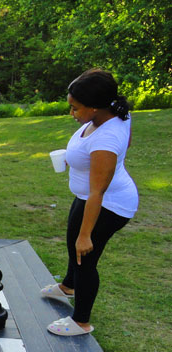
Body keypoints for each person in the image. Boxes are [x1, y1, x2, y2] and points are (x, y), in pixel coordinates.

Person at [43, 68, 137, 336]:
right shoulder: (116, 114)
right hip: (89, 197)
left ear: (95, 107)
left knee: (85, 256)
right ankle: (67, 287)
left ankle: (81, 321)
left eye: (75, 108)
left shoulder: (107, 140)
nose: (71, 113)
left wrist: (86, 235)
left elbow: (98, 192)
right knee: (73, 246)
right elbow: (126, 143)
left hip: (109, 204)